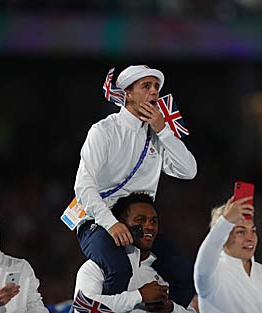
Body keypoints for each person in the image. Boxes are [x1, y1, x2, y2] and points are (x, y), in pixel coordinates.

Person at [74, 65, 197, 305]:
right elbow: (83, 185)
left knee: (183, 274)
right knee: (119, 269)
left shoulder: (157, 134)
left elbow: (189, 171)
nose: (154, 92)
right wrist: (110, 224)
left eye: (156, 87)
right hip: (99, 222)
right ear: (127, 94)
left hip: (139, 224)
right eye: (146, 86)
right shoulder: (104, 131)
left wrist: (163, 130)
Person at [74, 192, 197, 313]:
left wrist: (170, 308)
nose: (149, 226)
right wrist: (139, 296)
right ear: (122, 225)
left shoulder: (164, 276)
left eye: (153, 221)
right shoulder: (96, 268)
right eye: (140, 220)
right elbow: (83, 308)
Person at [194, 196, 262, 313]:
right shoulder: (213, 276)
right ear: (223, 236)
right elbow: (204, 262)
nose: (250, 238)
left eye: (253, 230)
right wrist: (226, 220)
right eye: (240, 232)